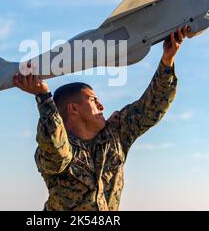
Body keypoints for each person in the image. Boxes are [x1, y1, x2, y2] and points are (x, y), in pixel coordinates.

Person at [14, 26, 188, 211]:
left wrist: (167, 60)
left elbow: (152, 107)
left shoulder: (116, 134)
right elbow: (56, 149)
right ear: (74, 108)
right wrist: (44, 97)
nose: (101, 106)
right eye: (93, 100)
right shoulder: (54, 151)